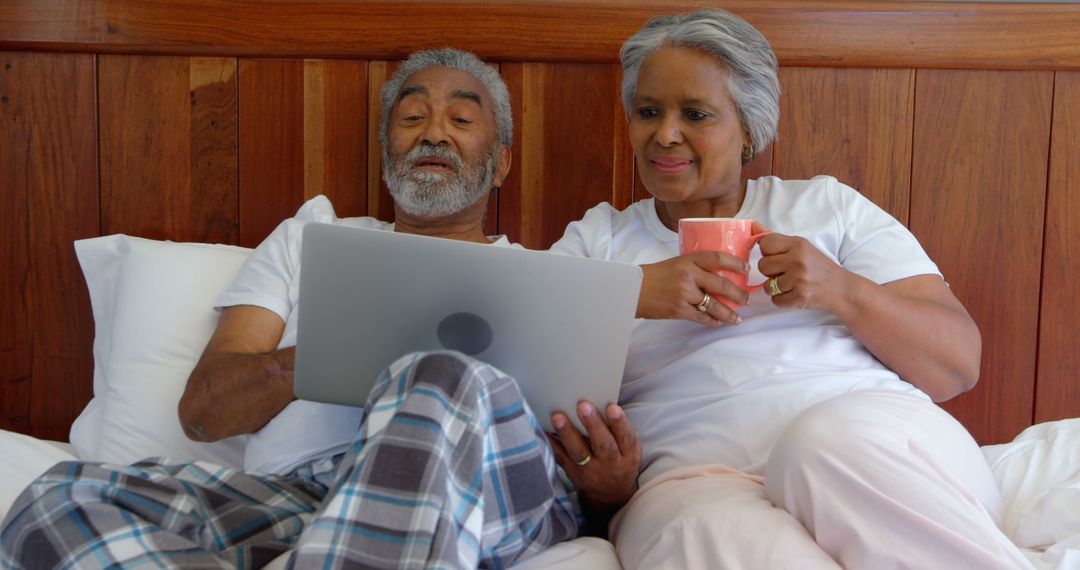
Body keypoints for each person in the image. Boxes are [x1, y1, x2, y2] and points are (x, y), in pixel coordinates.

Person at [0, 48, 639, 570]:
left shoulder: (547, 275)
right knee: (58, 500)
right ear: (390, 151)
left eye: (461, 120)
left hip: (484, 497)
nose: (434, 131)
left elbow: (584, 478)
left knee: (438, 374)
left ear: (499, 164)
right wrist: (334, 353)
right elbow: (201, 414)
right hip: (304, 495)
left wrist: (608, 482)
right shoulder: (311, 236)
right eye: (412, 118)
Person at [549, 9, 1034, 569]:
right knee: (701, 528)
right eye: (648, 111)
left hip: (866, 444)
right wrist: (632, 291)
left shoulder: (825, 206)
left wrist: (841, 290)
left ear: (749, 130)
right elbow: (526, 364)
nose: (665, 134)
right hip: (695, 479)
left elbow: (957, 363)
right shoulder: (597, 242)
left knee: (821, 446)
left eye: (696, 114)